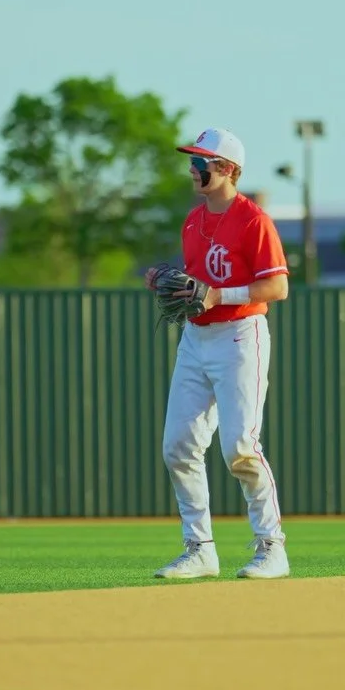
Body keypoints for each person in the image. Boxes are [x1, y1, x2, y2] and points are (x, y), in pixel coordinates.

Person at [145, 127, 290, 580]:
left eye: (201, 161)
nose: (194, 168)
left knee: (240, 448)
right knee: (178, 447)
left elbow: (278, 286)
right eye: (193, 160)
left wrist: (217, 296)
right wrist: (165, 283)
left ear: (227, 168)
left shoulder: (254, 220)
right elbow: (196, 288)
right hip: (196, 339)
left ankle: (271, 548)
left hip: (240, 338)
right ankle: (200, 548)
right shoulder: (192, 221)